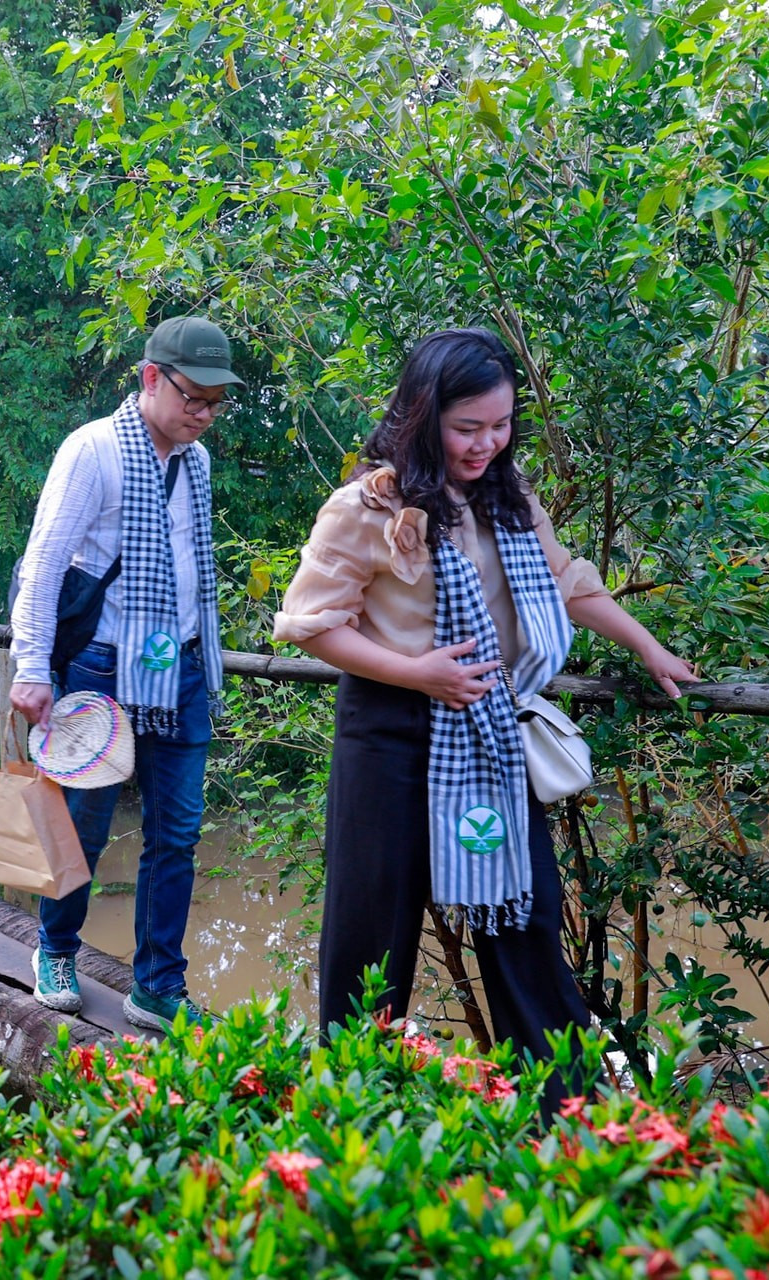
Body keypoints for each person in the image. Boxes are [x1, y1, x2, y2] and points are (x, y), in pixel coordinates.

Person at [272, 327, 698, 1084]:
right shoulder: (366, 505)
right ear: (421, 415)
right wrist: (418, 672)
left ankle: (563, 1118)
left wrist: (647, 646)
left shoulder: (508, 496)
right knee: (372, 933)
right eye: (468, 428)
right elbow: (310, 625)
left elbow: (569, 583)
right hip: (389, 731)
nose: (486, 444)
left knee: (525, 920)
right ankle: (352, 1112)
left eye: (500, 426)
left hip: (485, 729)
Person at [9, 315, 240, 1031]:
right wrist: (31, 665)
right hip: (100, 666)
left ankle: (157, 987)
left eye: (214, 402)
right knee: (82, 824)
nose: (203, 414)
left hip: (181, 668)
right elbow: (45, 561)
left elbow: (193, 569)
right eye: (192, 397)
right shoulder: (94, 451)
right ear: (150, 378)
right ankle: (54, 948)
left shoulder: (196, 463)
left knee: (178, 832)